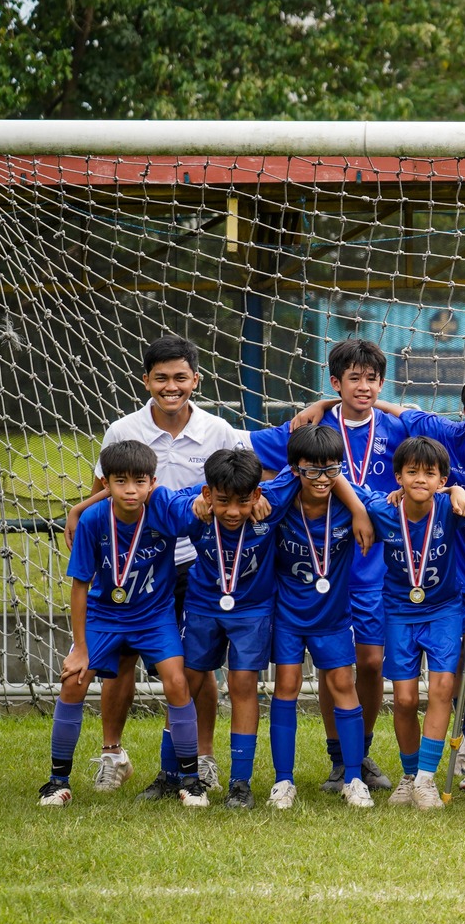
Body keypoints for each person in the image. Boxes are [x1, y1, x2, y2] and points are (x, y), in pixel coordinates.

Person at [67, 334, 252, 799]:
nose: (172, 386)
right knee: (120, 660)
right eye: (162, 378)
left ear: (196, 380)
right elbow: (103, 492)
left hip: (200, 564)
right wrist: (75, 510)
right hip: (132, 568)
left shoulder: (219, 432)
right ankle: (113, 755)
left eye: (181, 377)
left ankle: (200, 760)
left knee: (195, 666)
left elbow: (246, 478)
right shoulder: (121, 430)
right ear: (146, 380)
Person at [251, 336, 404, 793]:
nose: (362, 387)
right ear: (335, 382)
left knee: (371, 662)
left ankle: (362, 751)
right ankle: (340, 762)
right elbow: (248, 456)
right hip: (313, 571)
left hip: (373, 568)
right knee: (330, 666)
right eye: (352, 378)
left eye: (371, 378)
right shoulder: (307, 429)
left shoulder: (395, 430)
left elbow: (452, 437)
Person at [40, 441, 209, 807]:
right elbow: (80, 586)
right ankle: (57, 781)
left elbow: (198, 498)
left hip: (154, 616)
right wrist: (81, 648)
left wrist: (202, 505)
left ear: (152, 482)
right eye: (120, 482)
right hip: (105, 615)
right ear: (107, 485)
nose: (130, 490)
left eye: (139, 482)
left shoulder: (162, 508)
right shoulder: (94, 520)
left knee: (178, 681)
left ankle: (191, 780)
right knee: (73, 680)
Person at [355, 437, 465, 810]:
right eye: (411, 472)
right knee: (404, 698)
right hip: (399, 610)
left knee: (444, 687)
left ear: (441, 478)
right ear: (397, 476)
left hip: (445, 610)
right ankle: (410, 774)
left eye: (430, 473)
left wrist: (459, 489)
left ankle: (427, 780)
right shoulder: (383, 510)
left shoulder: (451, 505)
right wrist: (360, 511)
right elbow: (342, 484)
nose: (420, 479)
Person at [177, 449, 302, 810]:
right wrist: (193, 507)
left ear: (258, 494)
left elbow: (310, 467)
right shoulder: (195, 507)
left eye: (242, 502)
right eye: (222, 502)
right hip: (202, 606)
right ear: (207, 494)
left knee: (243, 684)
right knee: (189, 681)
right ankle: (176, 774)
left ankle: (240, 783)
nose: (233, 511)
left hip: (253, 610)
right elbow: (158, 497)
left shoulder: (270, 501)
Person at [267, 424, 378, 809]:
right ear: (295, 469)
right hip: (288, 615)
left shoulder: (353, 502)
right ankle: (283, 782)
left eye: (331, 470)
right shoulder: (277, 499)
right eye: (312, 470)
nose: (322, 479)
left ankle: (352, 777)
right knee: (287, 685)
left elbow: (390, 504)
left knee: (344, 685)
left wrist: (362, 509)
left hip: (332, 616)